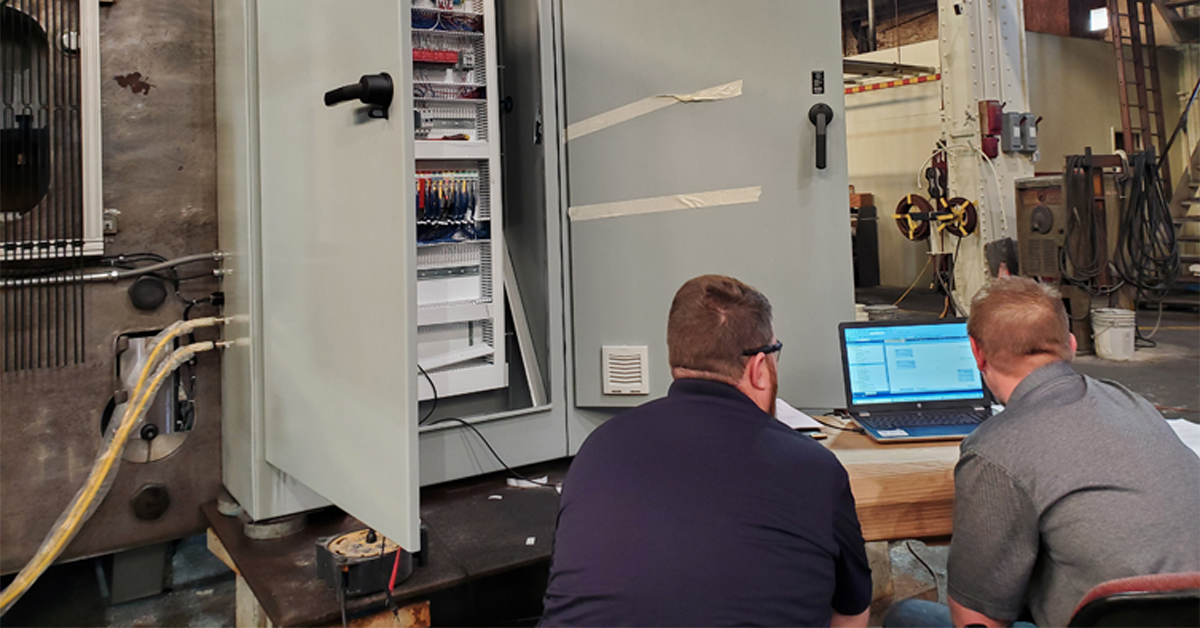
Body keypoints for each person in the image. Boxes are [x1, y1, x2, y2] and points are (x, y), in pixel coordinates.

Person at [539, 274, 872, 628]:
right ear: (760, 367)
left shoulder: (598, 449)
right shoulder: (815, 468)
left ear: (676, 361)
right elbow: (851, 613)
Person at [885, 277, 1200, 628]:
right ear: (1071, 343)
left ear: (976, 353)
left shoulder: (994, 452)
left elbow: (976, 621)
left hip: (1107, 619)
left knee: (906, 616)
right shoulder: (1133, 404)